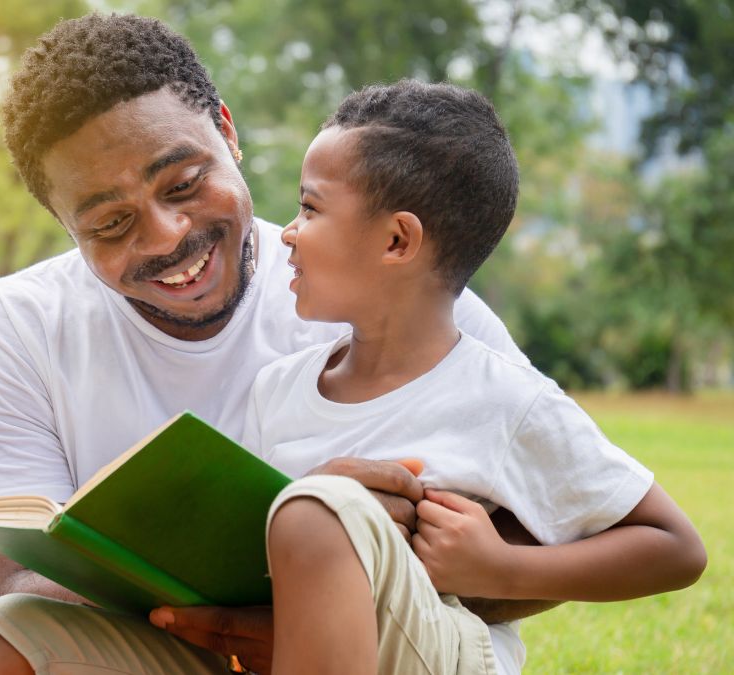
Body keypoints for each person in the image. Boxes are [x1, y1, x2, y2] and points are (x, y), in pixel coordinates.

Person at [0, 13, 551, 675]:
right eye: (111, 222)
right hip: (174, 647)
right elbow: (6, 593)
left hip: (387, 645)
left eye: (184, 184)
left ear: (227, 130)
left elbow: (560, 537)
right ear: (63, 223)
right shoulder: (13, 328)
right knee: (8, 635)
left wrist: (337, 576)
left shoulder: (401, 292)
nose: (167, 236)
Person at [235, 79, 706, 674]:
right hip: (293, 649)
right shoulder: (277, 387)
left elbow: (676, 548)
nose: (289, 232)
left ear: (397, 239)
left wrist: (501, 569)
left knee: (321, 511)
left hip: (444, 648)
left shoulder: (505, 398)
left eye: (310, 207)